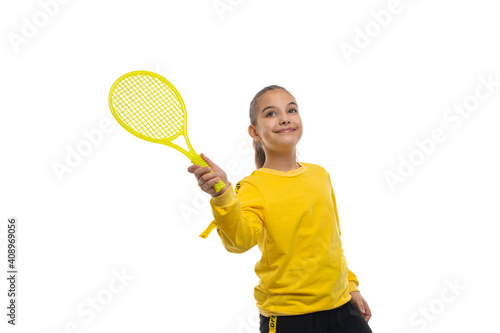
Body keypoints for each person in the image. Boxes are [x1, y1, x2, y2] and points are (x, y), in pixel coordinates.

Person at [188, 85, 373, 333]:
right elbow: (239, 242)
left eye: (291, 110)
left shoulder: (320, 174)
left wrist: (351, 286)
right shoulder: (252, 187)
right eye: (271, 113)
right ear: (255, 132)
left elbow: (331, 241)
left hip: (342, 309)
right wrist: (223, 196)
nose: (285, 117)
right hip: (288, 318)